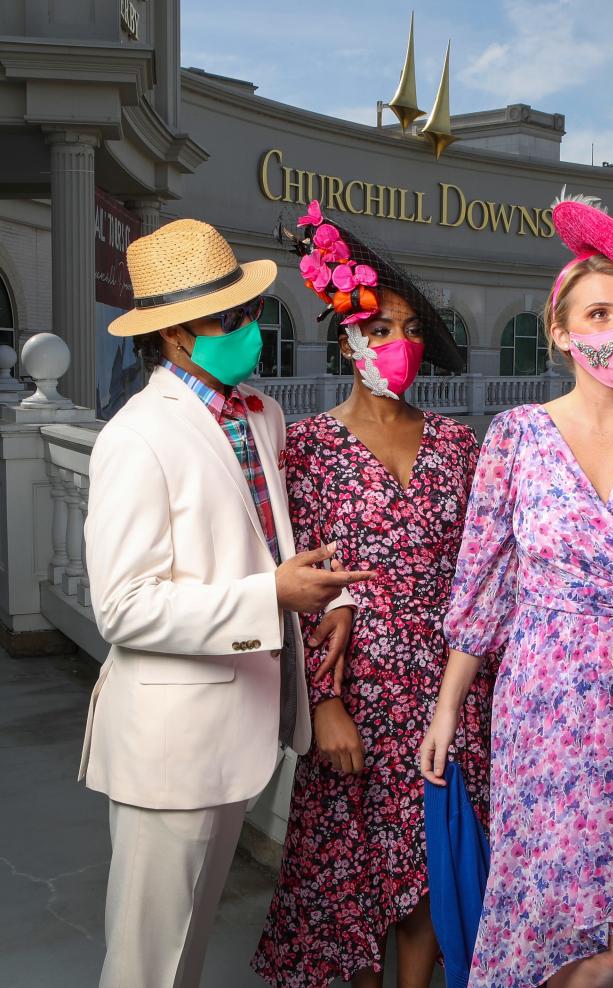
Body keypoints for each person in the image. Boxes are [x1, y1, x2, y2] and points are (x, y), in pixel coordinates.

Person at [82, 219, 371, 988]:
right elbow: (124, 607)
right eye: (230, 318)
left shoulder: (261, 415)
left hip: (241, 730)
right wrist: (267, 596)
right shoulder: (137, 436)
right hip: (170, 743)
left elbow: (260, 538)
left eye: (249, 314)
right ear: (177, 335)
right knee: (148, 963)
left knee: (189, 943)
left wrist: (317, 599)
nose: (250, 330)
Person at [421, 195, 613, 988]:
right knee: (564, 934)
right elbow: (481, 584)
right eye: (599, 310)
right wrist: (446, 710)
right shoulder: (516, 436)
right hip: (542, 708)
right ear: (562, 331)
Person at [252, 205, 497, 988]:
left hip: (446, 694)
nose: (399, 345)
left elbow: (481, 577)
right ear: (346, 338)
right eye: (380, 328)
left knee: (434, 864)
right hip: (359, 692)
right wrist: (324, 702)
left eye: (411, 329)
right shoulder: (310, 445)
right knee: (352, 883)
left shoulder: (460, 444)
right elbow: (302, 588)